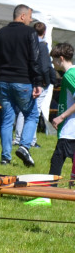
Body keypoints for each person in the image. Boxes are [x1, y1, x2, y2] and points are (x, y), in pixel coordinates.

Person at [0, 4, 47, 166]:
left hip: (3, 82)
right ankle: (24, 146)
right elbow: (34, 60)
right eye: (29, 16)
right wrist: (37, 82)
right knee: (32, 115)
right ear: (22, 16)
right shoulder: (30, 33)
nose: (30, 20)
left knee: (7, 119)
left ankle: (5, 157)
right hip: (23, 81)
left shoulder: (0, 33)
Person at [16, 21, 59, 144]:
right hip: (39, 82)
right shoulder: (42, 46)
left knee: (24, 110)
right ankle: (31, 140)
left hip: (27, 80)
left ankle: (19, 137)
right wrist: (49, 80)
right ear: (44, 32)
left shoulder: (26, 45)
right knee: (35, 111)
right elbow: (45, 66)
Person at [48, 43, 75, 185]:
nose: (53, 62)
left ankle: (47, 195)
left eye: (54, 59)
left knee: (56, 162)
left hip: (70, 129)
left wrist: (61, 117)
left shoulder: (70, 75)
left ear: (61, 58)